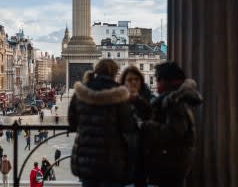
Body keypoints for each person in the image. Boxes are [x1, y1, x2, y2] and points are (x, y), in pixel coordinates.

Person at [68, 58, 137, 187]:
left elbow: (72, 122)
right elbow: (128, 126)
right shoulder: (120, 93)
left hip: (86, 158)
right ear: (114, 73)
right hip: (112, 159)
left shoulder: (80, 91)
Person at [138, 61, 203, 187]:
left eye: (157, 80)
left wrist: (144, 126)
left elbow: (173, 133)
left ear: (166, 81)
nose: (156, 84)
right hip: (173, 162)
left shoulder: (174, 103)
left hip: (171, 163)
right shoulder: (174, 100)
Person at [119, 65, 153, 187]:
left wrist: (138, 100)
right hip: (122, 154)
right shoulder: (117, 101)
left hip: (144, 154)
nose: (133, 82)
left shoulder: (149, 98)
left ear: (141, 81)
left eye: (136, 79)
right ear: (123, 83)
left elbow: (152, 118)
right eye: (129, 79)